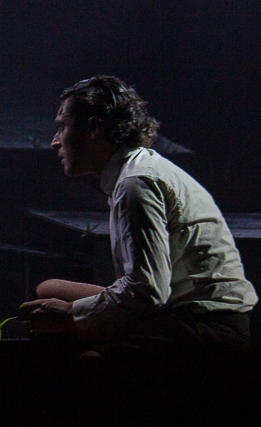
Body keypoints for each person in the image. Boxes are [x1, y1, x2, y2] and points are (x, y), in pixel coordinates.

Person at [20, 76, 256, 350]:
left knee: (58, 327)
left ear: (93, 127)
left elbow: (147, 291)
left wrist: (71, 314)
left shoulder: (136, 183)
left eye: (62, 128)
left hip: (206, 325)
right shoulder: (134, 170)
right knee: (48, 291)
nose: (54, 142)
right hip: (176, 309)